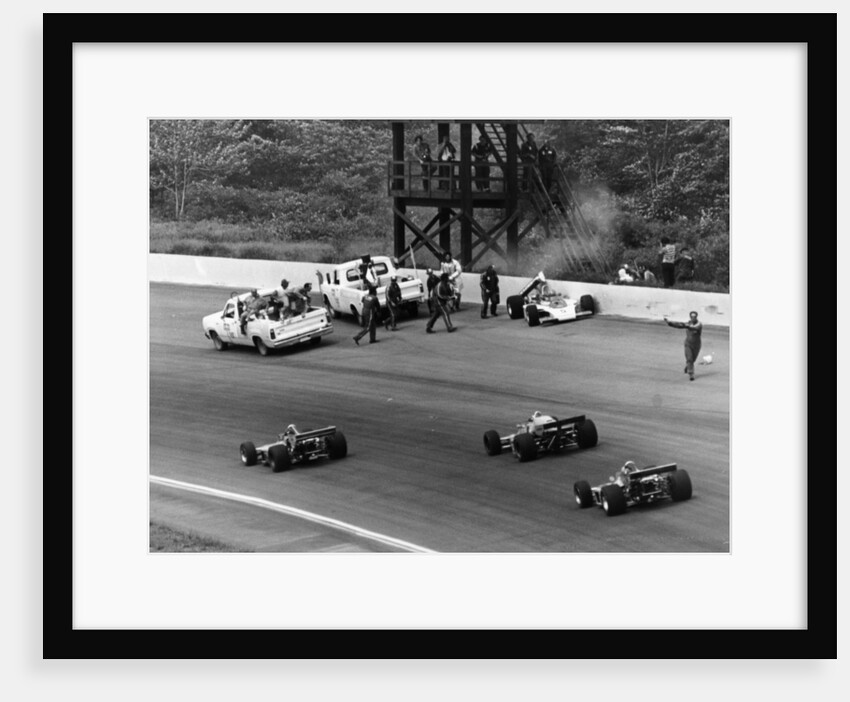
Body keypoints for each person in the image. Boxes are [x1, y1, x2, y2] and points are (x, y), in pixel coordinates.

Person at [664, 311, 704, 381]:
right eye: (692, 317)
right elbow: (680, 325)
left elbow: (693, 327)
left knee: (693, 359)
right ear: (690, 317)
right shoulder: (688, 323)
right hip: (688, 344)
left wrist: (686, 326)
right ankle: (691, 374)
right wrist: (670, 323)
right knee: (689, 358)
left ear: (696, 317)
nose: (693, 318)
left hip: (696, 345)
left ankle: (688, 367)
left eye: (694, 317)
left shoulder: (699, 324)